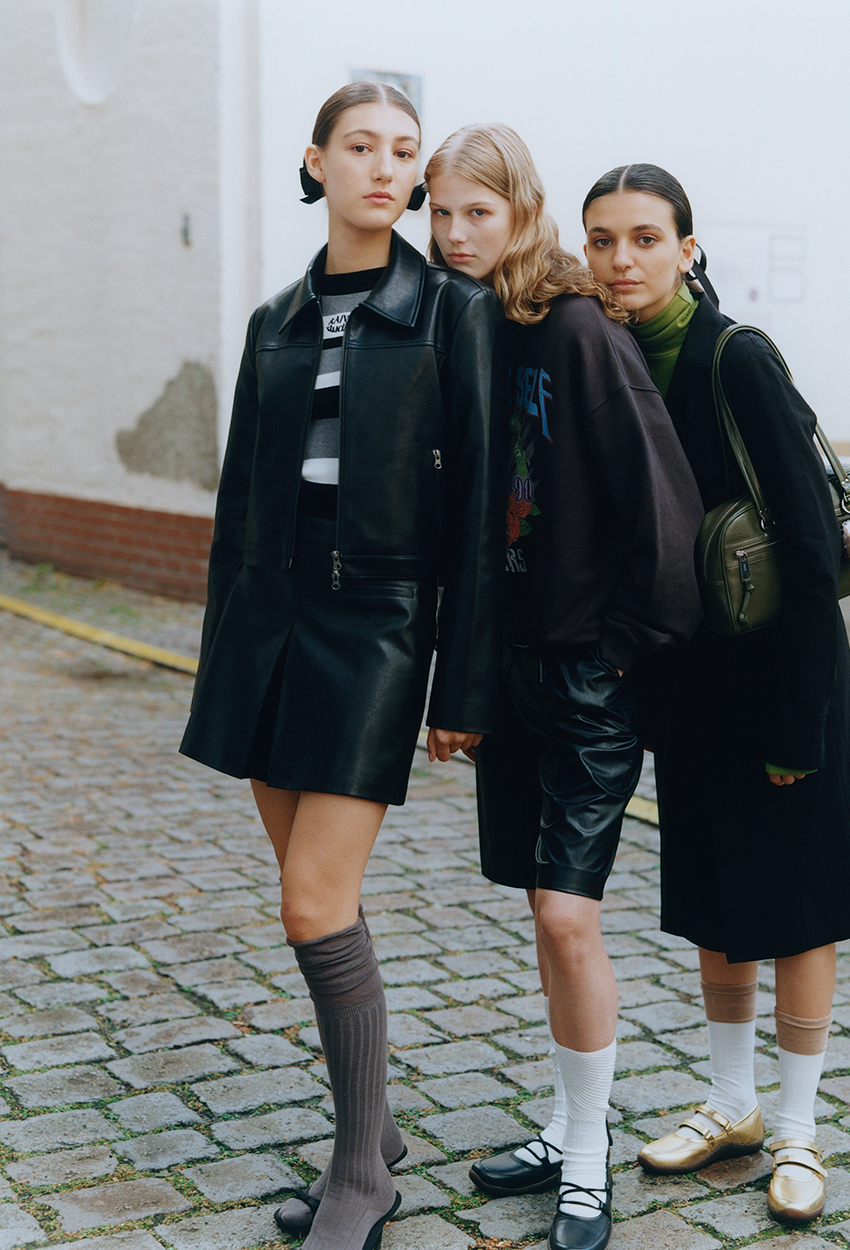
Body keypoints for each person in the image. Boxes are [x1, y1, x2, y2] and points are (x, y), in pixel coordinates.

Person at [179, 83, 505, 1250]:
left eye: (402, 151)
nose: (383, 166)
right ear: (316, 161)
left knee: (313, 900)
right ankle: (375, 1129)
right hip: (268, 622)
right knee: (322, 902)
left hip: (377, 624)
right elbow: (238, 506)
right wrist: (222, 660)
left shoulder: (452, 311)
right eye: (359, 146)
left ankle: (361, 1174)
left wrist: (461, 683)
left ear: (414, 177)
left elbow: (478, 510)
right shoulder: (274, 318)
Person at [582, 164, 850, 1225]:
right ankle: (732, 1103)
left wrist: (799, 721)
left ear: (686, 248)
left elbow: (808, 546)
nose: (621, 259)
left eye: (643, 238)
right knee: (718, 895)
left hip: (779, 676)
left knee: (800, 904)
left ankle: (799, 1128)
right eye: (601, 240)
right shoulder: (613, 354)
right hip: (693, 680)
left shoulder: (735, 357)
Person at [424, 127, 704, 1250]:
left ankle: (587, 1152)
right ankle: (561, 1121)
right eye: (440, 213)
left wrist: (617, 653)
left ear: (521, 211)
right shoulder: (467, 326)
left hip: (590, 675)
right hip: (508, 676)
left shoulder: (578, 326)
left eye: (477, 213)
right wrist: (464, 681)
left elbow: (663, 507)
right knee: (541, 915)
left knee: (567, 916)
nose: (455, 234)